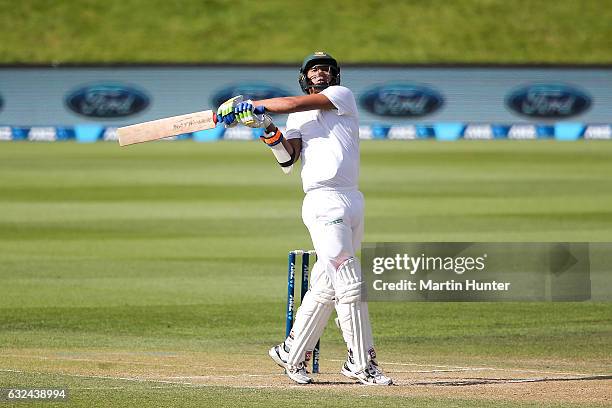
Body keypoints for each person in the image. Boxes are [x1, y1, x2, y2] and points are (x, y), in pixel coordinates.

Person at [217, 52, 392, 386]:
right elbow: (287, 159)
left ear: (334, 77)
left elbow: (290, 103)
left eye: (326, 68)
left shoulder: (341, 97)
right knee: (348, 278)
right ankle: (361, 362)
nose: (321, 72)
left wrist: (254, 105)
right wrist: (265, 126)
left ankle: (291, 352)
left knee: (327, 285)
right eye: (314, 68)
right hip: (323, 201)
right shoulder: (297, 119)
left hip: (352, 198)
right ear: (305, 76)